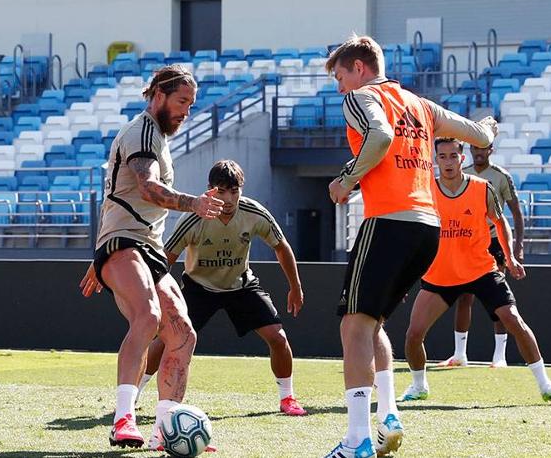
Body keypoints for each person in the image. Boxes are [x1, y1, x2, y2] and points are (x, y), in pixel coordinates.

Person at [320, 36, 498, 458]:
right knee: (373, 323)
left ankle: (357, 440)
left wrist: (347, 179)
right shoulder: (420, 104)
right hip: (427, 227)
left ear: (359, 68)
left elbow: (379, 136)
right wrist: (490, 128)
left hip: (389, 221)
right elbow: (475, 134)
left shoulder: (362, 97)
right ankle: (389, 417)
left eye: (340, 76)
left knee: (353, 325)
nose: (339, 87)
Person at [79, 65, 224, 449]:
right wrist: (192, 203)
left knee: (183, 334)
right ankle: (122, 419)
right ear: (158, 95)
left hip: (148, 247)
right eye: (181, 102)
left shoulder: (158, 137)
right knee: (150, 316)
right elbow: (146, 188)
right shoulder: (142, 131)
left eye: (191, 105)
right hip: (124, 241)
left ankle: (166, 428)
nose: (186, 112)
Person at [399, 138, 551, 404]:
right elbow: (414, 233)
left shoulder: (482, 189)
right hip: (440, 274)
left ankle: (546, 385)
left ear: (462, 159)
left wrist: (511, 258)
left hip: (481, 269)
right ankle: (419, 386)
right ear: (436, 160)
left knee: (514, 321)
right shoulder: (427, 190)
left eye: (453, 156)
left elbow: (501, 224)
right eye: (442, 157)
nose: (447, 162)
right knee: (413, 334)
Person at [141, 159, 308, 417]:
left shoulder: (254, 213)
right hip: (198, 288)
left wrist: (295, 286)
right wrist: (155, 295)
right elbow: (166, 259)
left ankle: (288, 399)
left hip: (240, 285)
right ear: (210, 190)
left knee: (278, 337)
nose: (229, 198)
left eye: (234, 190)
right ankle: (135, 394)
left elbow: (281, 246)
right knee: (166, 341)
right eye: (221, 191)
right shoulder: (193, 219)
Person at [441, 143, 525, 368]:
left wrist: (517, 247)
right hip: (466, 241)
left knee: (496, 300)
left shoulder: (500, 177)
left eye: (483, 149)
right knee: (463, 297)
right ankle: (459, 353)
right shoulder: (463, 173)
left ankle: (500, 355)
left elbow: (515, 212)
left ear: (491, 151)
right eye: (475, 149)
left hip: (493, 240)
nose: (479, 153)